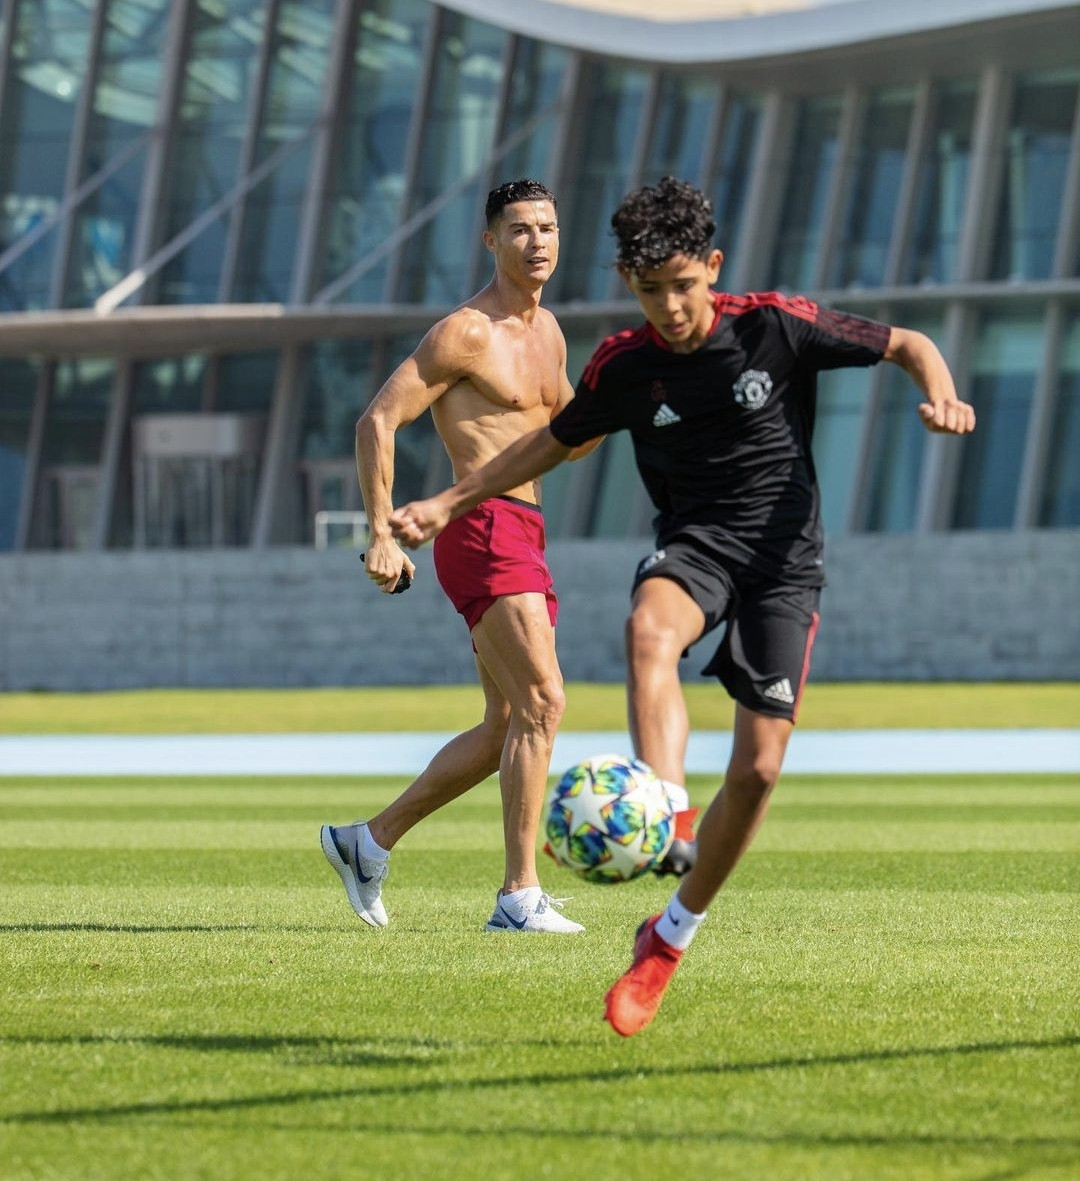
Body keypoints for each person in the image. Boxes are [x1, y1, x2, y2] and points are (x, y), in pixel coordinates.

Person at [388, 176, 976, 1031]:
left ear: (714, 267)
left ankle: (666, 938)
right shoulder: (626, 364)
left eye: (683, 285)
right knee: (648, 630)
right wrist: (447, 502)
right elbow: (547, 444)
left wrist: (943, 392)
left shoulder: (774, 326)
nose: (669, 307)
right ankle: (666, 808)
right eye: (649, 289)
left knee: (760, 770)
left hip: (784, 564)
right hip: (695, 545)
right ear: (630, 282)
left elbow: (907, 342)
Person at [320, 178, 599, 935]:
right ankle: (518, 897)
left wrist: (634, 398)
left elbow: (571, 437)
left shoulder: (550, 334)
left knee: (505, 723)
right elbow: (377, 421)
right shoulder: (466, 333)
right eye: (519, 229)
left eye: (547, 227)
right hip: (481, 528)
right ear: (490, 240)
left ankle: (368, 841)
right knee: (544, 702)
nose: (536, 241)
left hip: (527, 528)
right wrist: (380, 532)